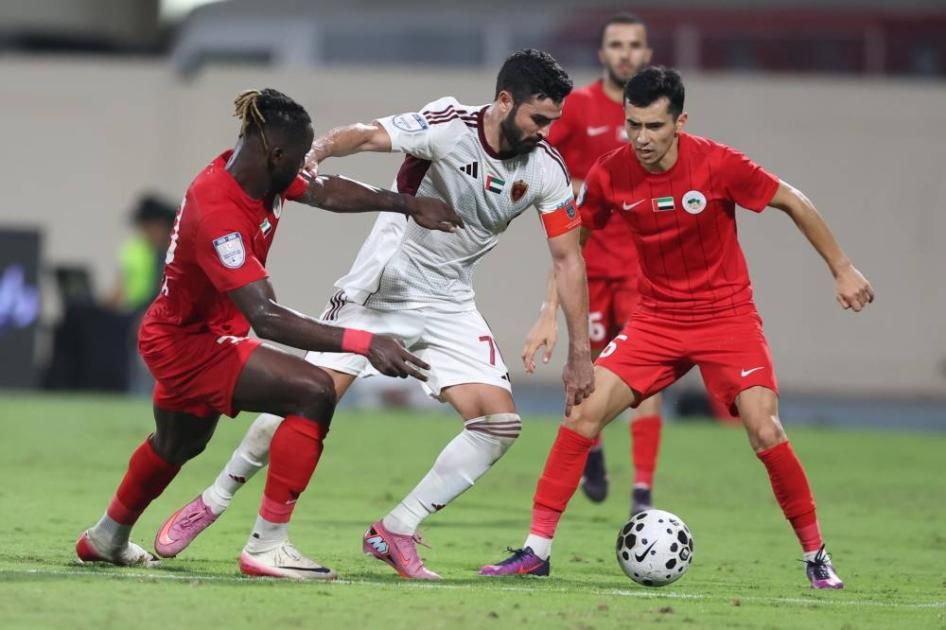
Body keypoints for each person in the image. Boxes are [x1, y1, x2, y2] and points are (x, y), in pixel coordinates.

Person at [153, 49, 595, 581]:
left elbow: (569, 259)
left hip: (451, 300)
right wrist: (316, 153)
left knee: (498, 425)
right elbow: (364, 136)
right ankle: (215, 499)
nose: (547, 131)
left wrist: (580, 354)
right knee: (307, 395)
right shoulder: (449, 126)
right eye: (539, 118)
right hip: (384, 285)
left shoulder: (545, 169)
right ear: (505, 101)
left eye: (553, 120)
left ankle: (396, 529)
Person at [480, 67, 873, 589]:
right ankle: (536, 550)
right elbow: (573, 245)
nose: (641, 138)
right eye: (633, 125)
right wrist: (548, 311)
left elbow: (791, 200)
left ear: (680, 123)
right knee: (581, 413)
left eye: (654, 127)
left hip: (727, 318)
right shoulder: (612, 173)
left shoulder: (718, 164)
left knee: (764, 429)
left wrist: (842, 267)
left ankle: (815, 554)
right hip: (657, 320)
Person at [75, 88, 462, 580]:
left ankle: (106, 536)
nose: (306, 167)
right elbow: (267, 317)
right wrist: (365, 343)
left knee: (177, 445)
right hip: (191, 344)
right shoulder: (218, 210)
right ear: (277, 154)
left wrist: (405, 203)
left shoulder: (258, 172)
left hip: (185, 332)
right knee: (313, 391)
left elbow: (324, 191)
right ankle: (268, 546)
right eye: (300, 158)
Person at [525, 12, 662, 513]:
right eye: (616, 45)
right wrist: (580, 187)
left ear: (647, 54)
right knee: (592, 367)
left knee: (648, 377)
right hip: (588, 264)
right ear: (603, 54)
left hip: (644, 270)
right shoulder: (579, 107)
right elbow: (542, 162)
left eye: (634, 44)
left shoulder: (657, 113)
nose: (626, 53)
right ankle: (596, 452)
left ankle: (642, 491)